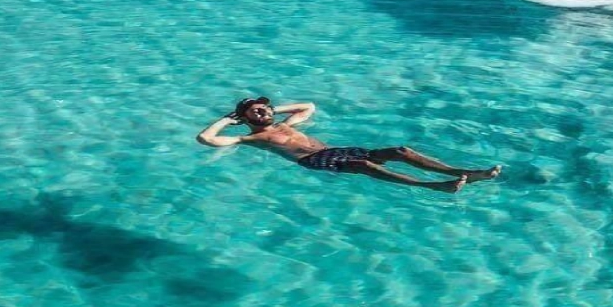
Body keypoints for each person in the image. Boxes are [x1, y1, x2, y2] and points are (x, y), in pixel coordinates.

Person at [196, 97, 500, 193]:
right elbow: (206, 139)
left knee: (400, 151)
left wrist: (275, 109)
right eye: (255, 110)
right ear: (244, 116)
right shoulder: (252, 138)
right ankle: (435, 186)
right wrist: (228, 119)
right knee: (363, 166)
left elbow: (308, 107)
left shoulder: (285, 123)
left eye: (265, 107)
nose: (263, 110)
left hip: (334, 151)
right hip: (313, 161)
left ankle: (466, 172)